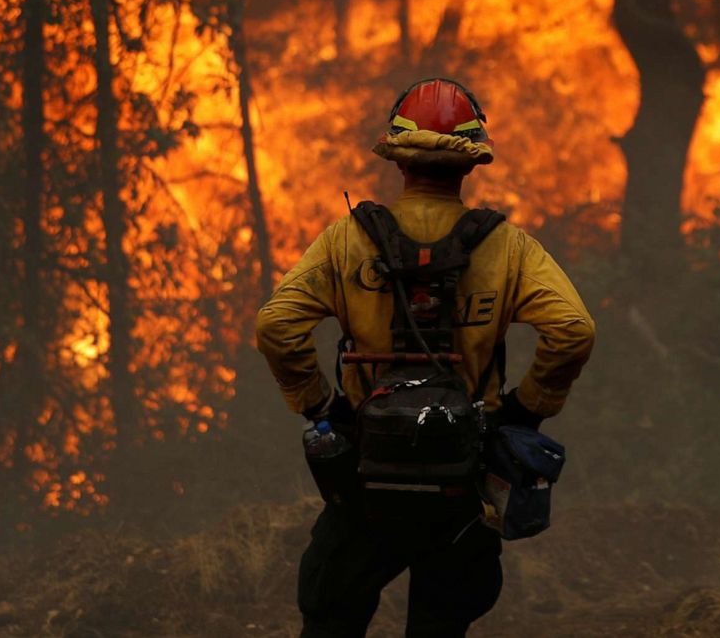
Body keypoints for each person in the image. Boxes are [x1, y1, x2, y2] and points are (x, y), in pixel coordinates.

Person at [256, 77, 597, 638]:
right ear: (470, 164)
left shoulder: (347, 241)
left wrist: (320, 408)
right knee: (442, 621)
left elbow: (276, 325)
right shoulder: (507, 248)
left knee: (331, 617)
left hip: (367, 475)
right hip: (462, 482)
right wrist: (528, 409)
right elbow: (574, 330)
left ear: (399, 158)